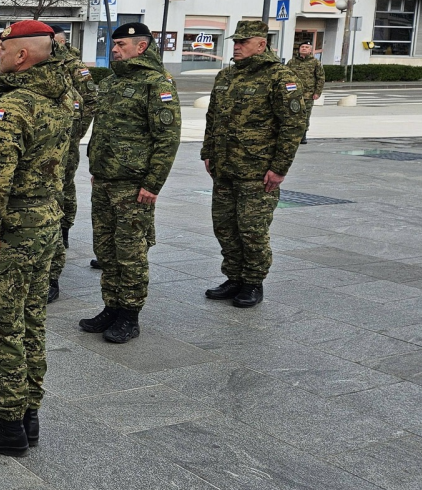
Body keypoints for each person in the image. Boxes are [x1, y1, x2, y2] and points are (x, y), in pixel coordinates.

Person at [0, 20, 72, 457]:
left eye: (3, 47)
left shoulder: (14, 107)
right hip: (46, 223)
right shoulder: (61, 95)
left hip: (14, 229)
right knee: (31, 317)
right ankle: (27, 411)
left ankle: (8, 424)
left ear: (22, 56)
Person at [78, 23, 181, 343]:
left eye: (122, 44)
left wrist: (153, 183)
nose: (115, 49)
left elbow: (167, 138)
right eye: (114, 44)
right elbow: (103, 130)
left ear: (142, 47)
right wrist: (98, 165)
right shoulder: (110, 82)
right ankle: (111, 305)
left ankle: (130, 314)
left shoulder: (157, 83)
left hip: (135, 184)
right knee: (106, 250)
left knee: (131, 251)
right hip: (106, 180)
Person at [201, 19, 308, 309]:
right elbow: (212, 119)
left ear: (261, 44)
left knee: (252, 229)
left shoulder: (279, 77)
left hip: (256, 171)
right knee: (224, 226)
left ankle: (253, 282)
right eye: (235, 42)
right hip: (225, 168)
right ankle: (233, 277)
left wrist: (279, 168)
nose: (236, 46)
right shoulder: (226, 76)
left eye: (243, 42)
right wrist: (208, 152)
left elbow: (293, 125)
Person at [49, 28, 99, 303]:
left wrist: (76, 132)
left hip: (67, 140)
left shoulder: (75, 67)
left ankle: (65, 228)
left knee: (64, 186)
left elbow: (90, 101)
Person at [286, 43, 324, 143]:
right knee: (292, 115)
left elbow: (320, 78)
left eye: (306, 47)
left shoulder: (315, 62)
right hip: (293, 94)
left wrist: (317, 92)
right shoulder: (292, 62)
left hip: (308, 94)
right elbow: (286, 77)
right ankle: (293, 135)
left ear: (310, 50)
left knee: (305, 115)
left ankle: (303, 135)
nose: (304, 48)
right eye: (302, 47)